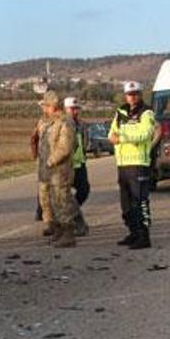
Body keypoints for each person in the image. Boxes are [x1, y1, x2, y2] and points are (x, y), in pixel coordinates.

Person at [110, 81, 157, 249]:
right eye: (130, 94)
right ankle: (133, 232)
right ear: (125, 95)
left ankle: (144, 237)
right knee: (126, 204)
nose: (133, 97)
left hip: (139, 162)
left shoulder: (147, 112)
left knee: (140, 201)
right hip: (122, 163)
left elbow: (144, 134)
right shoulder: (121, 111)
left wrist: (122, 135)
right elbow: (111, 133)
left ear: (140, 94)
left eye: (136, 93)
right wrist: (121, 134)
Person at [37, 92, 80, 248]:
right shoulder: (47, 122)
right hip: (47, 171)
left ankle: (68, 234)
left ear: (52, 106)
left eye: (46, 106)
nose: (44, 109)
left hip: (59, 171)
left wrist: (51, 160)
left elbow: (66, 147)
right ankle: (59, 231)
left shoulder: (64, 122)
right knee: (52, 201)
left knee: (62, 201)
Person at [63, 97, 90, 236]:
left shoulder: (81, 124)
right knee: (65, 196)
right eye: (71, 109)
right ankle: (77, 223)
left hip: (79, 164)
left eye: (76, 109)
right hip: (66, 166)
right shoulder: (62, 125)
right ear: (65, 109)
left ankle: (72, 214)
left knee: (84, 190)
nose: (74, 111)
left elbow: (85, 141)